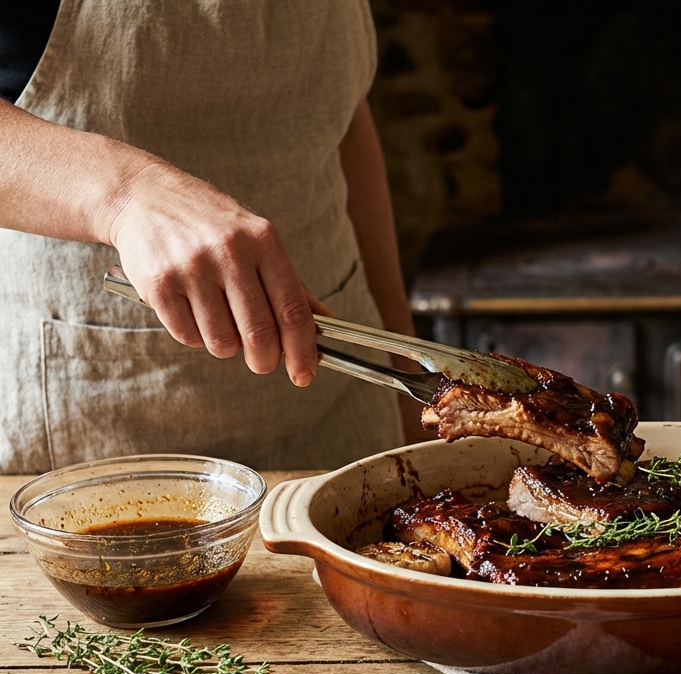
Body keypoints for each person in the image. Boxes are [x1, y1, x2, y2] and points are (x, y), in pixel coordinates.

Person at [0, 1, 428, 473]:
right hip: (100, 424)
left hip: (343, 415)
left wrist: (403, 358)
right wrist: (126, 194)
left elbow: (339, 117)